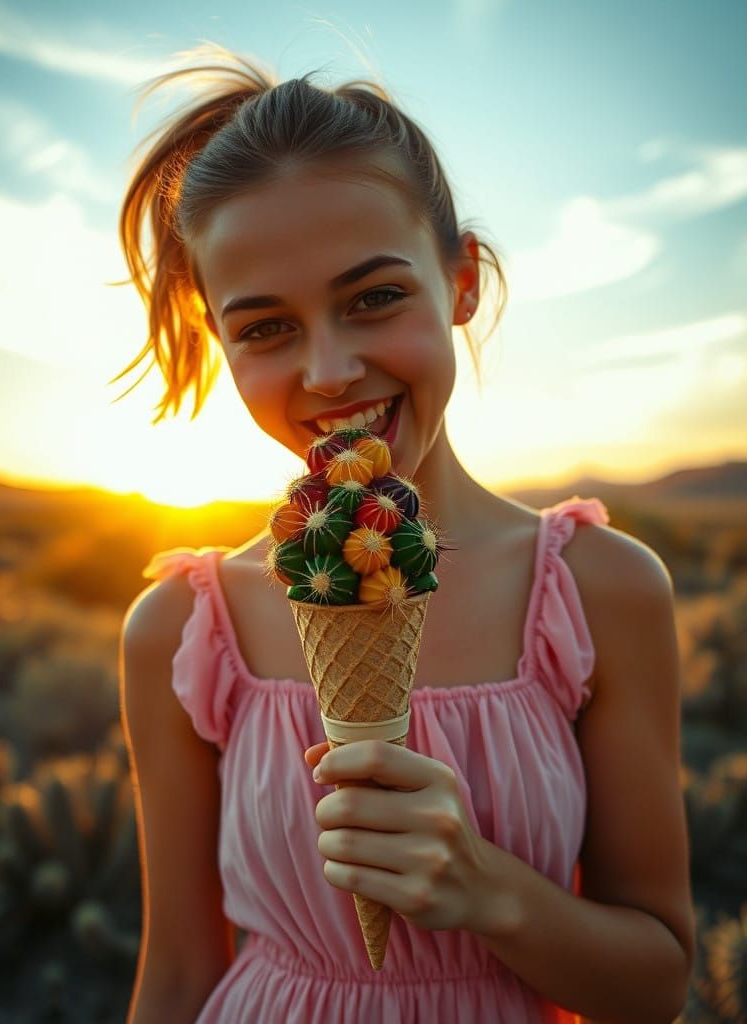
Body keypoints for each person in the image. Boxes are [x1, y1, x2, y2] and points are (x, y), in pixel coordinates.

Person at [116, 43, 695, 1024]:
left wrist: (488, 889)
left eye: (374, 298)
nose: (331, 369)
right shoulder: (178, 628)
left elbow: (657, 984)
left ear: (461, 280)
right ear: (220, 340)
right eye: (266, 327)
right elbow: (174, 978)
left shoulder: (602, 589)